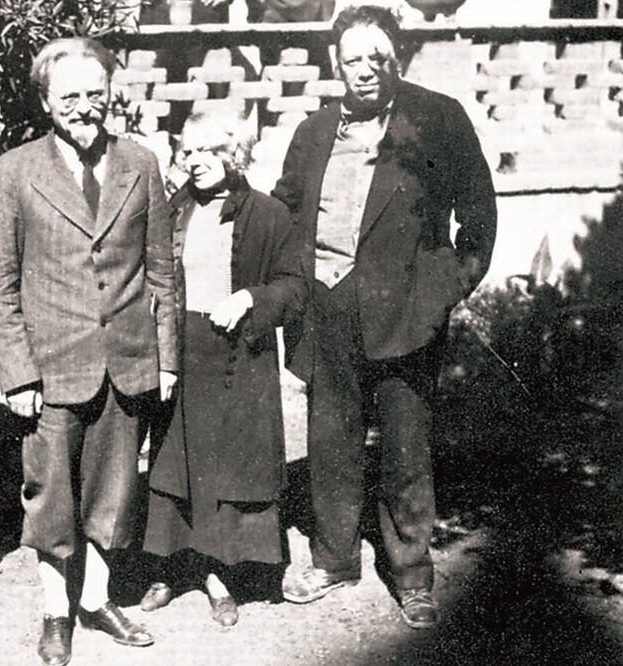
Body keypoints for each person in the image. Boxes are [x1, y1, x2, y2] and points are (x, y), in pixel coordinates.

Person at [272, 5, 497, 628]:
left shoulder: (437, 120)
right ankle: (334, 558)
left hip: (406, 310)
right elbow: (286, 209)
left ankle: (412, 572)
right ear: (335, 64)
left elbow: (478, 211)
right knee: (331, 439)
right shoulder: (314, 131)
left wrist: (447, 288)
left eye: (378, 57)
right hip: (327, 304)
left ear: (397, 59)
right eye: (353, 59)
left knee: (405, 444)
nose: (365, 70)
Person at [0, 37, 179, 666]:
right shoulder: (13, 171)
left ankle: (94, 599)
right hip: (50, 366)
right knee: (51, 494)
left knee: (112, 490)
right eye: (69, 96)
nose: (84, 106)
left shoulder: (140, 163)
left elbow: (161, 271)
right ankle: (54, 612)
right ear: (45, 101)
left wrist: (165, 357)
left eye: (96, 93)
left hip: (127, 358)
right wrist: (17, 373)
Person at [140, 111, 306, 627]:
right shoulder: (171, 210)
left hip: (239, 357)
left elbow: (294, 286)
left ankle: (218, 575)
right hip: (180, 353)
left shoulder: (268, 214)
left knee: (226, 465)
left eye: (209, 150)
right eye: (188, 151)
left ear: (234, 153)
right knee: (175, 460)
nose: (196, 161)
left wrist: (250, 298)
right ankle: (169, 566)